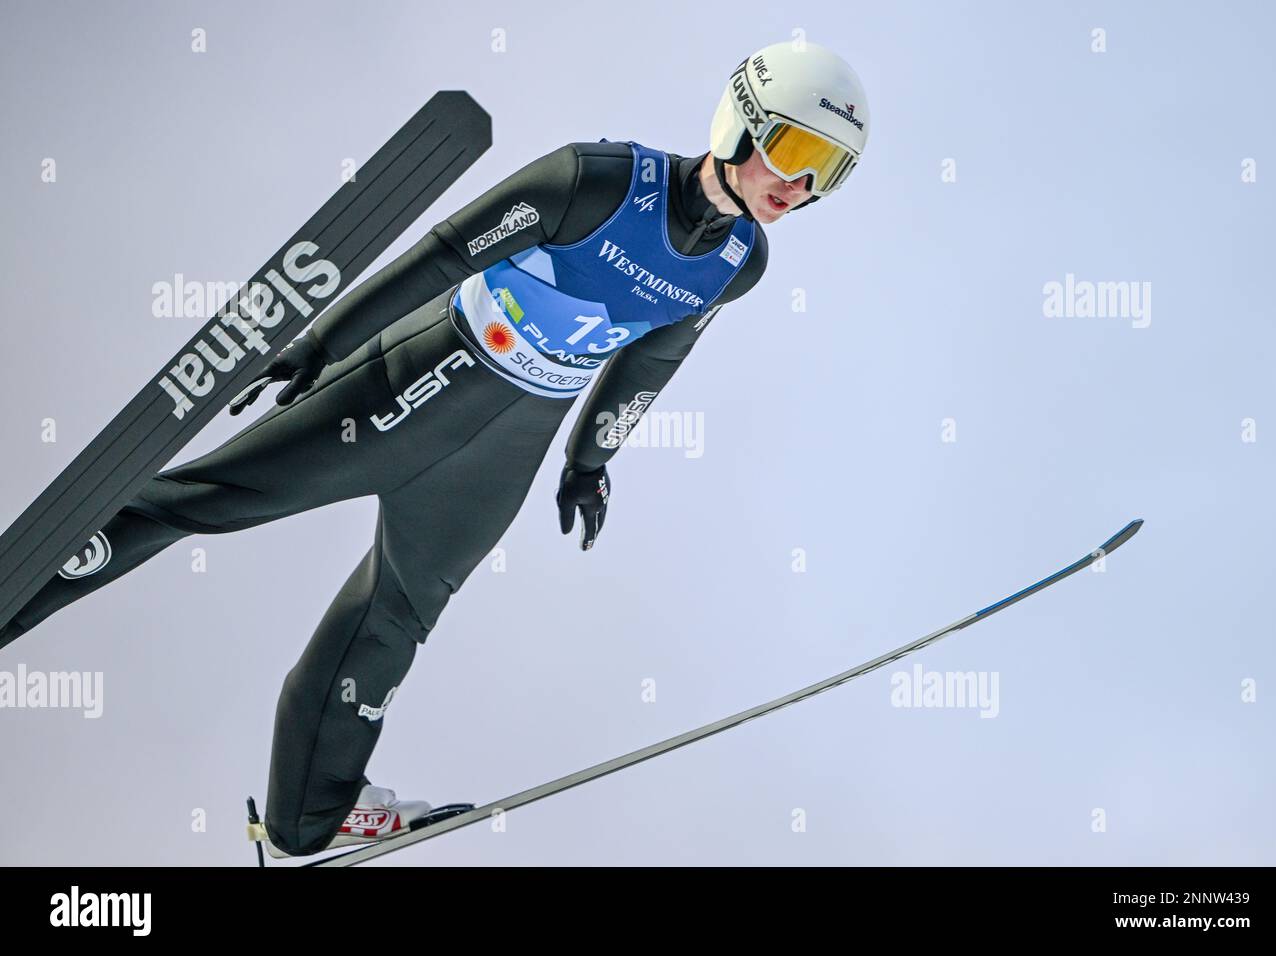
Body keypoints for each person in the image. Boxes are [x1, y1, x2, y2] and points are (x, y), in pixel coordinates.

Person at [1, 40, 870, 857]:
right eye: (794, 149)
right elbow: (442, 256)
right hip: (414, 380)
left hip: (503, 452)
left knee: (393, 621)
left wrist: (589, 462)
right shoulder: (596, 180)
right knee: (210, 500)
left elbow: (653, 361)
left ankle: (308, 819)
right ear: (740, 121)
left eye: (826, 171)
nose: (799, 185)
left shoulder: (738, 263)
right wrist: (323, 341)